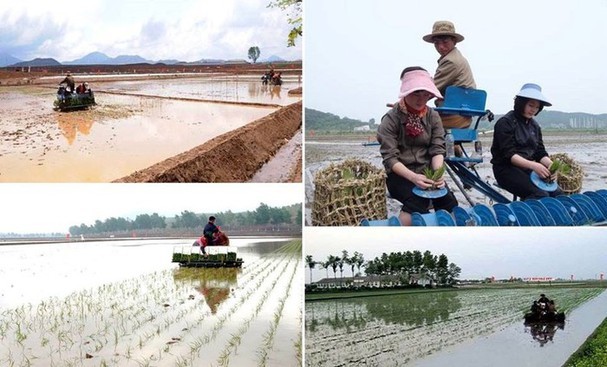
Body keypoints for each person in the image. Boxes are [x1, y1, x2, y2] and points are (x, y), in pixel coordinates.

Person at [377, 67, 458, 226]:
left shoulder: (433, 116)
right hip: (400, 175)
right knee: (418, 201)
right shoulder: (391, 119)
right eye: (416, 93)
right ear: (406, 92)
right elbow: (390, 159)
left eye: (426, 94)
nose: (421, 99)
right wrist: (413, 178)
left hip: (426, 172)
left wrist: (437, 174)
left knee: (449, 202)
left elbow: (437, 148)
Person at [490, 84, 564, 200]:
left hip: (527, 169)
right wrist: (534, 165)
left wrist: (551, 166)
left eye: (537, 107)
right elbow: (509, 155)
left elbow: (540, 152)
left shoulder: (535, 126)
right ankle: (522, 216)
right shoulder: (505, 122)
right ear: (521, 103)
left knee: (557, 193)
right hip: (506, 169)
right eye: (530, 105)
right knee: (539, 194)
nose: (533, 110)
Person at [423, 20, 476, 129]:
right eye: (436, 43)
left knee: (410, 123)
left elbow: (431, 90)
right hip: (458, 114)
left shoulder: (451, 61)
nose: (440, 47)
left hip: (454, 117)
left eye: (445, 42)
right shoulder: (456, 57)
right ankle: (453, 146)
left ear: (454, 41)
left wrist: (405, 104)